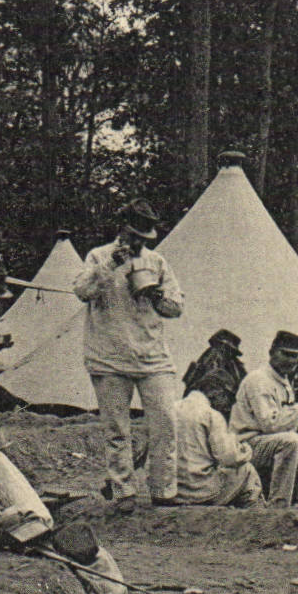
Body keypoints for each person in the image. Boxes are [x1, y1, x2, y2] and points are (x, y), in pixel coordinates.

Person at [72, 198, 185, 506]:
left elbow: (176, 307)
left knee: (165, 422)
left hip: (152, 356)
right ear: (121, 230)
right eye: (133, 235)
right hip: (108, 356)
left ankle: (164, 490)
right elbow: (82, 291)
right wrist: (111, 266)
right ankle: (123, 490)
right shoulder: (98, 256)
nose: (138, 242)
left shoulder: (157, 262)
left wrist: (156, 295)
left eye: (144, 238)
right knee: (116, 428)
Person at [230, 330, 298, 508]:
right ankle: (279, 505)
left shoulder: (282, 380)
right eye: (285, 354)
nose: (290, 361)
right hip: (247, 444)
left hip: (269, 440)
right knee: (291, 442)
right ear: (272, 352)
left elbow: (286, 418)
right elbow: (271, 425)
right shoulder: (259, 380)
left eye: (294, 356)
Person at [170, 367, 262, 508]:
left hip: (170, 491)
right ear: (216, 392)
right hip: (198, 493)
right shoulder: (212, 415)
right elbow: (228, 458)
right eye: (228, 397)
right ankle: (254, 516)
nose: (228, 405)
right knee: (246, 470)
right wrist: (245, 452)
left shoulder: (171, 409)